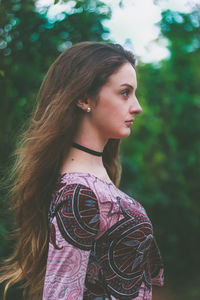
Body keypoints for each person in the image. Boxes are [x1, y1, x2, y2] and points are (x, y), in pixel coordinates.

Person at [0, 41, 164, 299]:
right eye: (124, 92)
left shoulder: (91, 182)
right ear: (84, 98)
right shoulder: (78, 194)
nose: (137, 106)